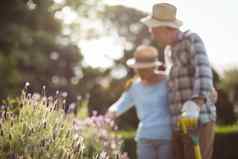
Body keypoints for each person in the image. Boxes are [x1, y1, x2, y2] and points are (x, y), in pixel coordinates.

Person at [140, 3, 216, 159]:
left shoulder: (191, 40)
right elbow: (174, 81)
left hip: (198, 120)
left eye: (153, 29)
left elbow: (204, 73)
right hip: (177, 123)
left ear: (165, 27)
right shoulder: (168, 50)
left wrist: (196, 104)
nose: (151, 33)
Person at [107, 46, 172, 159]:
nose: (140, 72)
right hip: (144, 138)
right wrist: (109, 115)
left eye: (144, 69)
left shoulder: (167, 81)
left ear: (153, 67)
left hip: (166, 137)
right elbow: (120, 104)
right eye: (138, 69)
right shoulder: (135, 87)